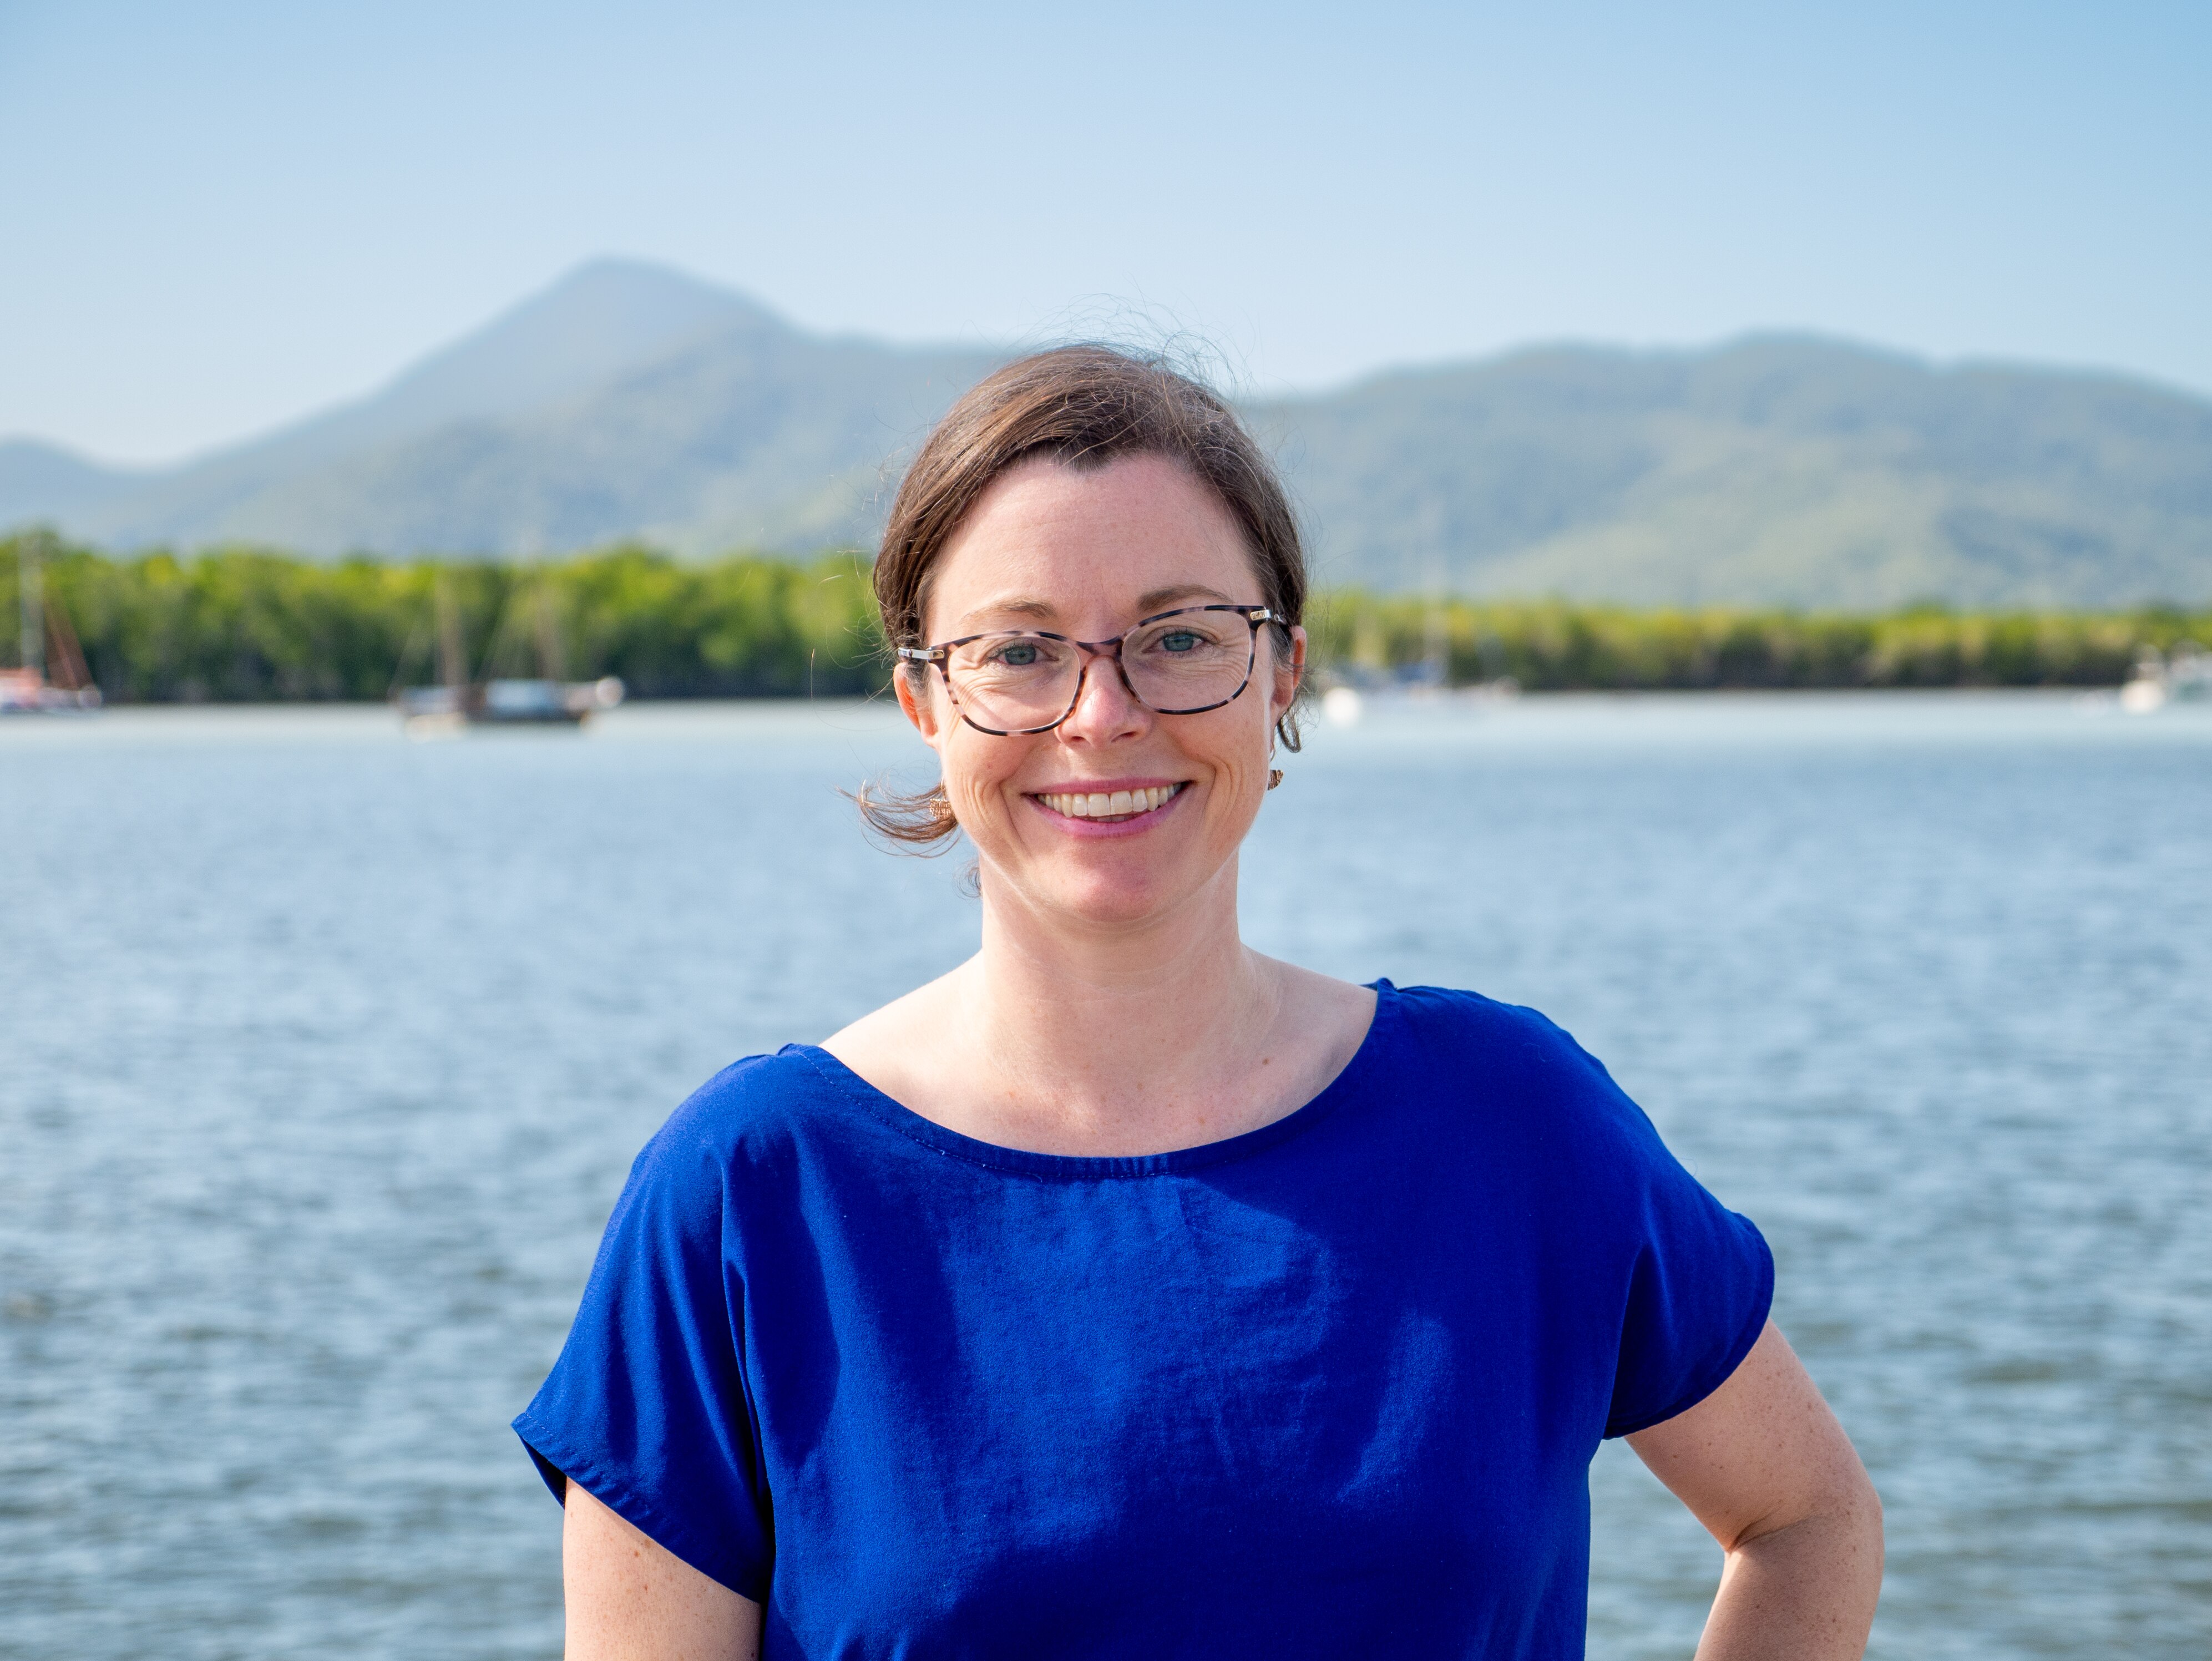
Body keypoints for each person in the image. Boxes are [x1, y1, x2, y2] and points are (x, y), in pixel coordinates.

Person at [515, 346, 1883, 1659]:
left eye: (1177, 636)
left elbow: (1806, 1517)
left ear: (1281, 673)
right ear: (924, 703)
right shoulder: (751, 1190)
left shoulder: (1511, 1120)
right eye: (1018, 651)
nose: (1102, 715)